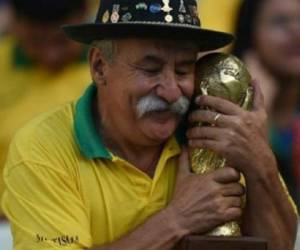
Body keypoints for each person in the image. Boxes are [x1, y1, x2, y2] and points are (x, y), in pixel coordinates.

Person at [2, 0, 298, 249]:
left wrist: (260, 162)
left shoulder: (212, 128)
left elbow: (279, 245)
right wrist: (177, 219)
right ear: (99, 67)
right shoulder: (41, 148)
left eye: (183, 69)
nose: (171, 91)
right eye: (150, 68)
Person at [0, 0, 91, 218]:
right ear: (16, 23)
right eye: (35, 41)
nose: (50, 55)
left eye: (61, 41)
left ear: (83, 15)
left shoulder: (113, 68)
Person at [232, 0, 300, 211]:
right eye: (280, 22)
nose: (296, 32)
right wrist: (259, 109)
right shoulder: (221, 108)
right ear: (250, 35)